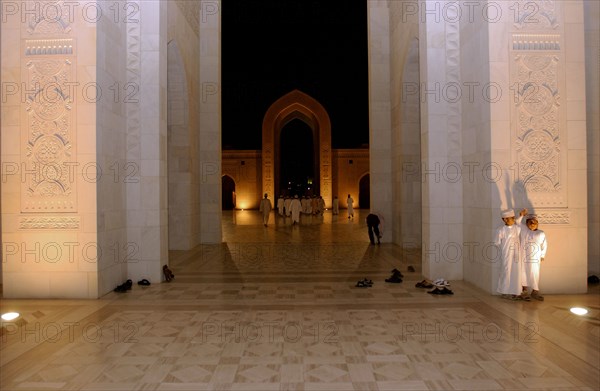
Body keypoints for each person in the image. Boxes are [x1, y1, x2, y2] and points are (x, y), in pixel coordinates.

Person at [494, 208, 528, 300]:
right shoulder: (500, 230)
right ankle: (505, 292)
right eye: (511, 218)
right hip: (506, 254)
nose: (513, 219)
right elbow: (497, 243)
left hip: (516, 254)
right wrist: (505, 250)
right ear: (505, 219)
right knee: (506, 271)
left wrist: (521, 215)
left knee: (516, 272)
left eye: (513, 218)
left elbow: (518, 223)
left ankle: (516, 292)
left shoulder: (516, 228)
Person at [520, 214, 547, 301]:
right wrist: (521, 215)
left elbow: (544, 245)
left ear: (537, 223)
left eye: (534, 222)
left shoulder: (541, 233)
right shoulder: (524, 231)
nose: (532, 223)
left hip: (535, 259)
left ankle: (535, 291)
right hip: (524, 258)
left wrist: (542, 255)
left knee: (535, 274)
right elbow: (517, 223)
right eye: (530, 222)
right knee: (523, 273)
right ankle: (524, 291)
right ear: (526, 223)